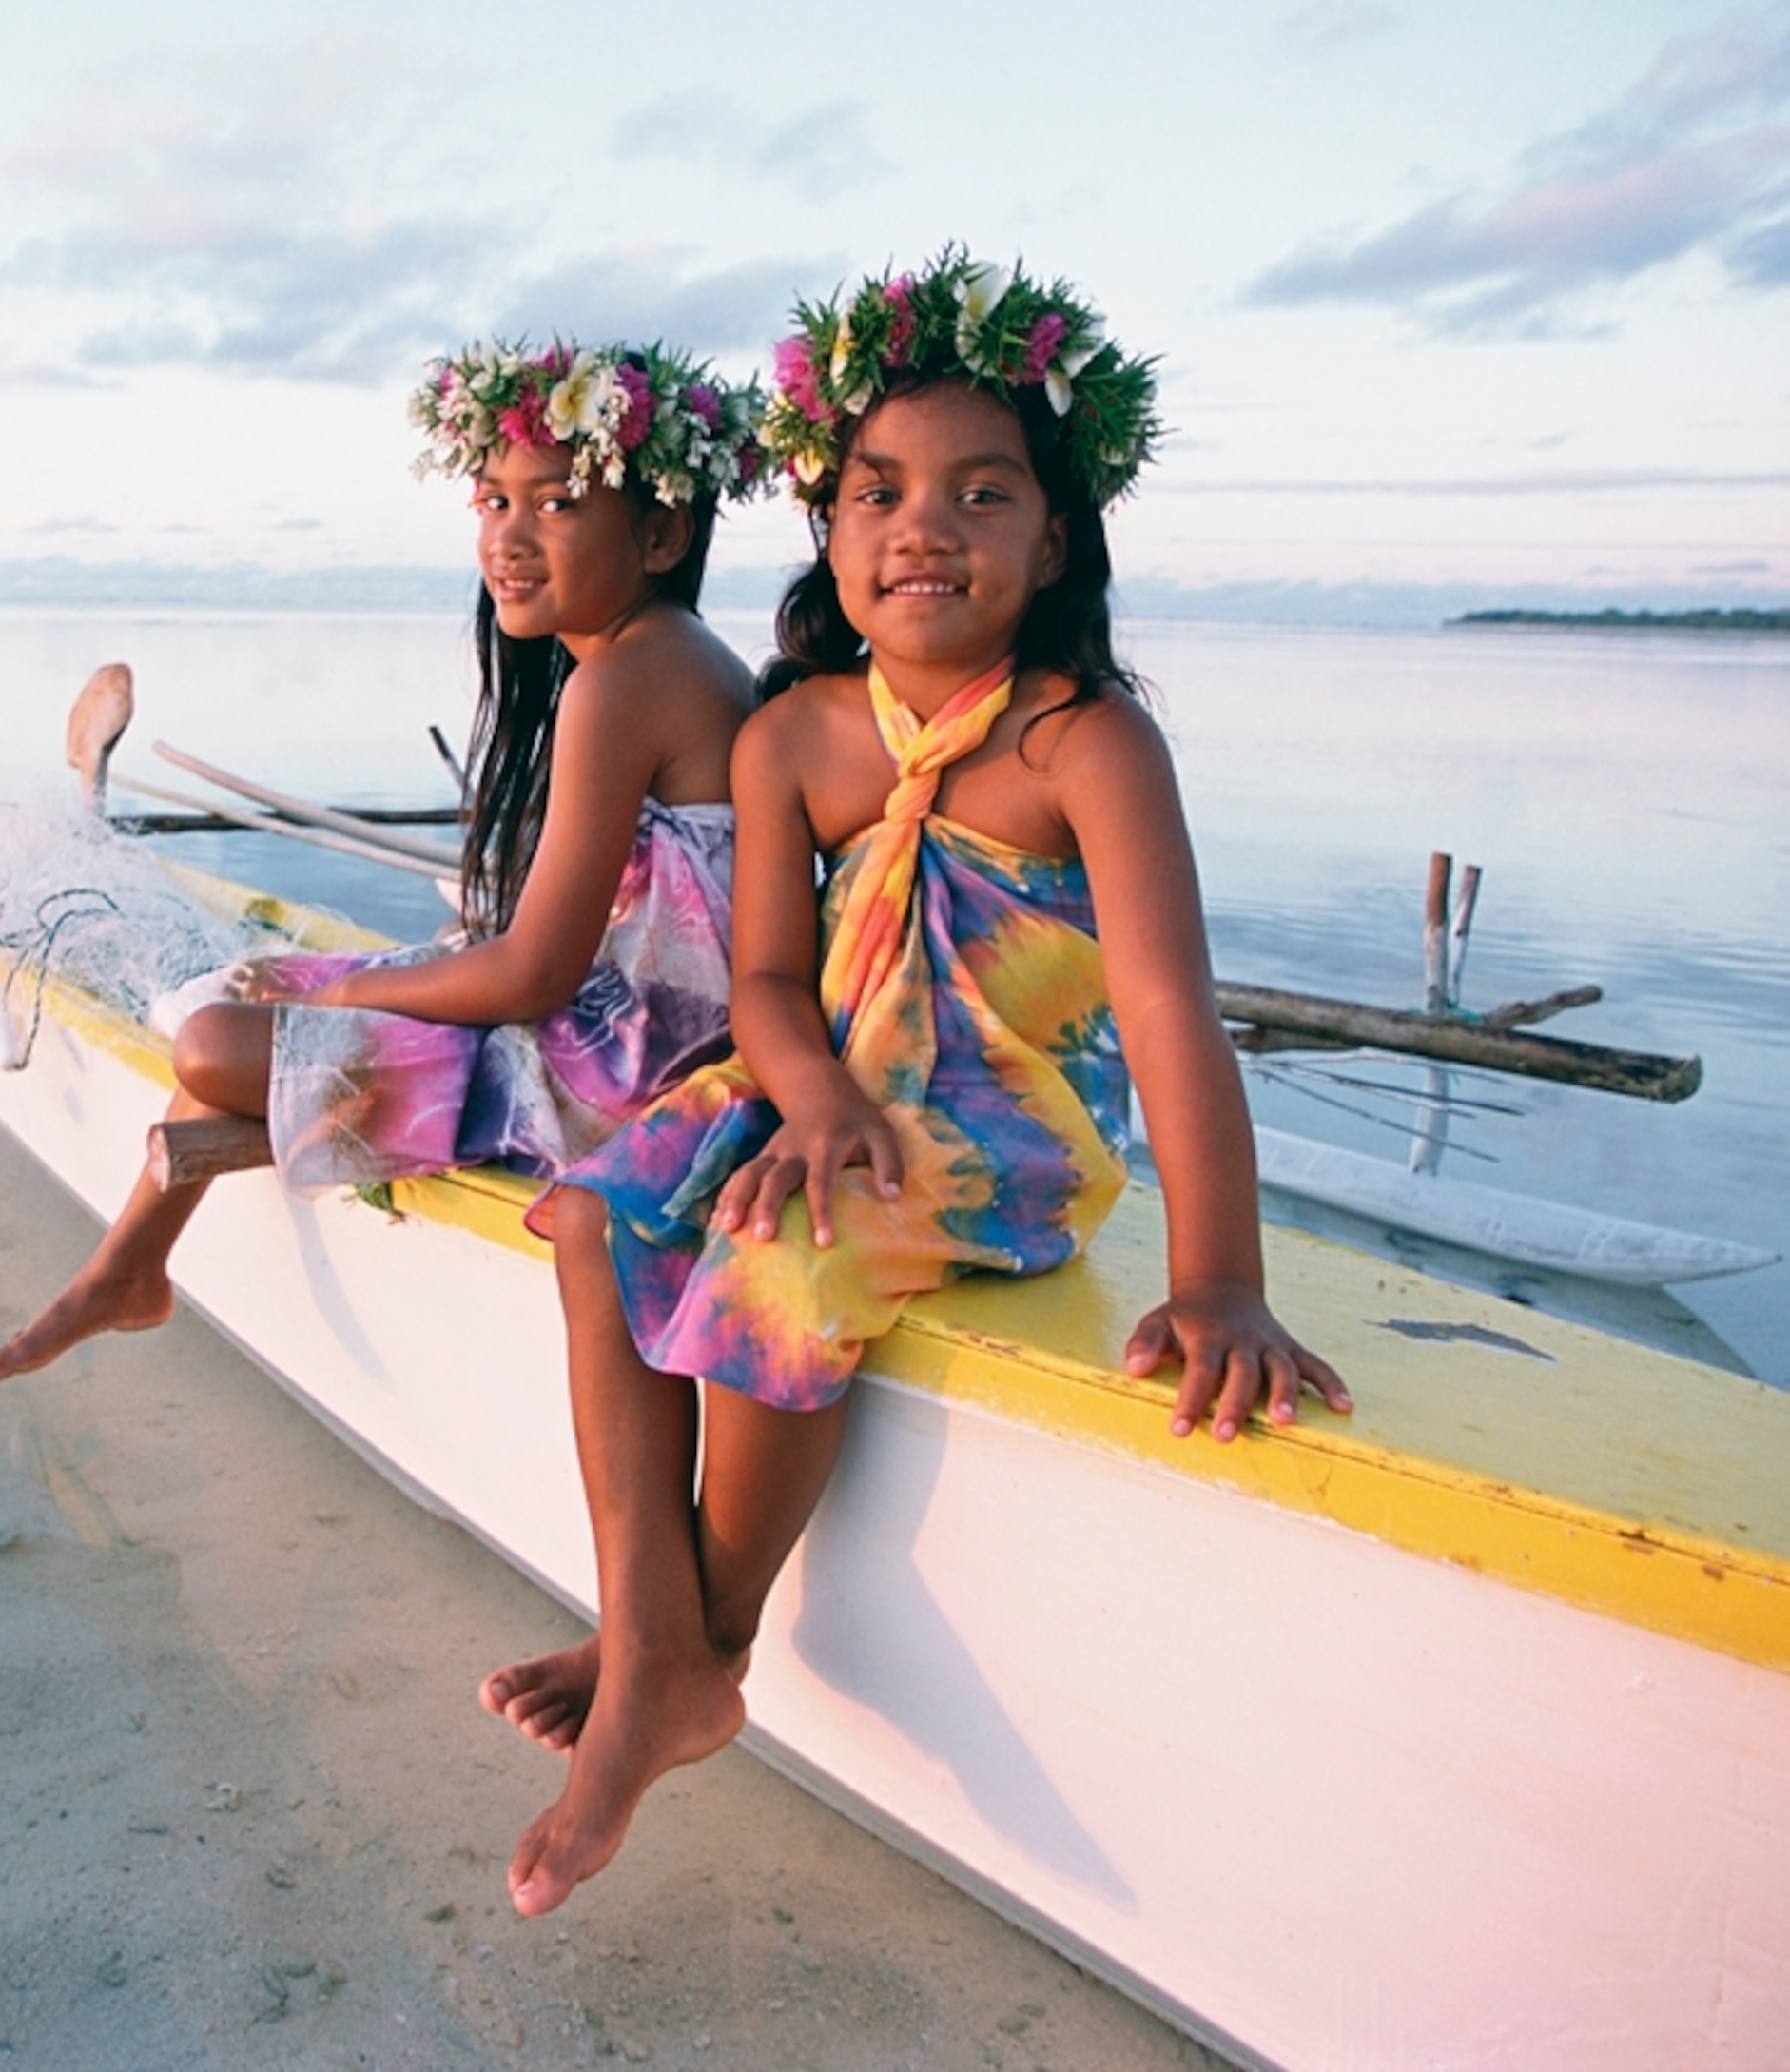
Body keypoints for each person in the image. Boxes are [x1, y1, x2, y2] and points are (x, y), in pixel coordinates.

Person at [494, 251, 1355, 1916]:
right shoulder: (793, 735)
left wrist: (1220, 1279)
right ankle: (654, 1634)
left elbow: (1170, 1012)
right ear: (826, 529)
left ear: (1055, 539)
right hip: (823, 1083)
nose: (923, 526)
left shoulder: (1083, 743)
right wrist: (812, 1098)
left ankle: (696, 1645)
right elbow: (764, 980)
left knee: (785, 1254)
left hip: (996, 1135)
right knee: (596, 1214)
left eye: (982, 491)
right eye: (877, 490)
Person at [0, 341, 772, 1385]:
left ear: (662, 532)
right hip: (624, 1040)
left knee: (213, 1040)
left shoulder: (629, 677)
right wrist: (351, 990)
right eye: (493, 501)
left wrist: (349, 991)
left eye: (555, 504)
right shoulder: (666, 656)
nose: (509, 538)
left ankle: (126, 1269)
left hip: (616, 1082)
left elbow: (536, 973)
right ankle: (128, 1267)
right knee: (262, 990)